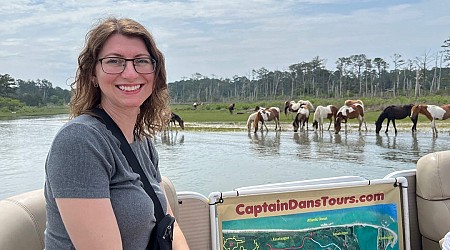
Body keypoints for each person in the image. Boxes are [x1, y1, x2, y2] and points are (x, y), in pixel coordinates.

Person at [44, 17, 189, 249]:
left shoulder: (142, 140)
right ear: (93, 74)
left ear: (155, 72)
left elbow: (170, 226)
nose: (130, 74)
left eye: (141, 61)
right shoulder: (79, 141)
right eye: (114, 61)